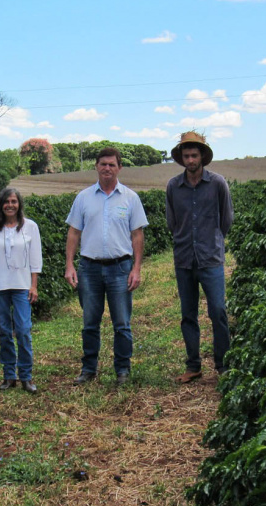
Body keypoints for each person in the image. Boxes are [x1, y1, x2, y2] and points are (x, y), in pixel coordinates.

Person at [65, 147, 148, 386]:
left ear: (119, 168)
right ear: (96, 166)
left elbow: (137, 235)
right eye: (103, 164)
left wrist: (136, 268)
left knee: (122, 324)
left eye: (112, 164)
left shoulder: (130, 198)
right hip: (89, 269)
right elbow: (73, 232)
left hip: (120, 268)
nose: (107, 168)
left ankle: (122, 370)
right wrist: (69, 265)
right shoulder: (83, 198)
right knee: (90, 323)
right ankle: (88, 369)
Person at [166, 131, 234, 383]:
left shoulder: (217, 183)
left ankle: (223, 365)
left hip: (210, 259)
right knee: (188, 314)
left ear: (202, 156)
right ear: (182, 158)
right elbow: (172, 222)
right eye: (186, 156)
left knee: (218, 311)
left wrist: (211, 240)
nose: (190, 160)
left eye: (194, 155)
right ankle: (193, 365)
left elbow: (226, 219)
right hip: (184, 259)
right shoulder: (174, 186)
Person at [0, 187, 42, 394]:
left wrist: (34, 285)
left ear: (19, 204)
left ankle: (26, 376)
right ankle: (8, 375)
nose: (10, 205)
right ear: (0, 205)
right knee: (4, 331)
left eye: (14, 201)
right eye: (6, 202)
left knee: (23, 330)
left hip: (22, 286)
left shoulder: (30, 227)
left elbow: (35, 259)